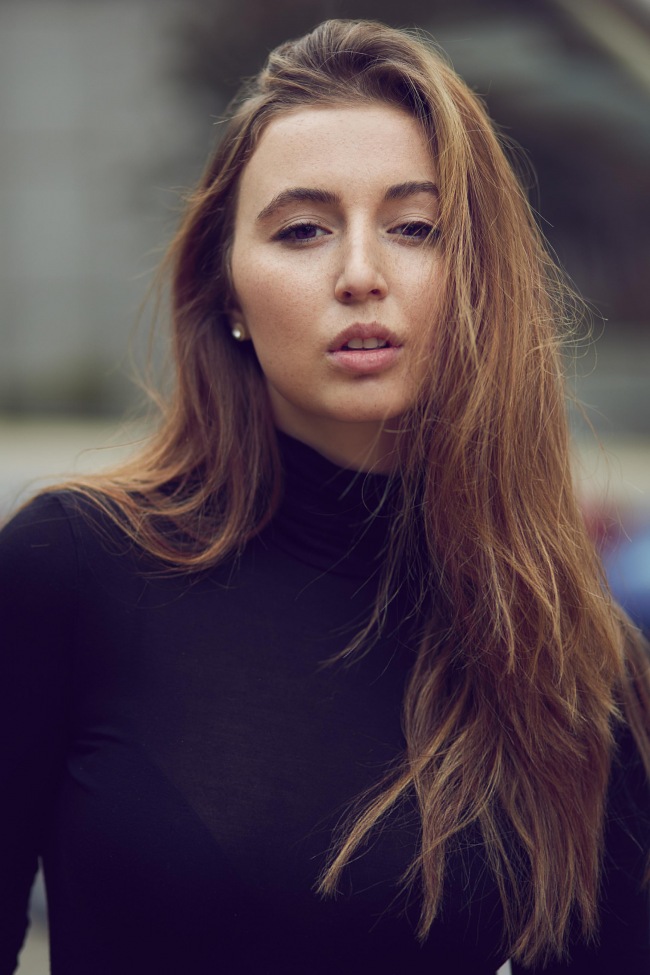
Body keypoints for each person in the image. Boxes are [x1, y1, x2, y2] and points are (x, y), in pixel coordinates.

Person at [0, 19, 648, 975]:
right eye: (302, 229)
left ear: (480, 277)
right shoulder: (70, 564)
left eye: (415, 227)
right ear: (226, 290)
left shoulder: (575, 656)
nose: (359, 274)